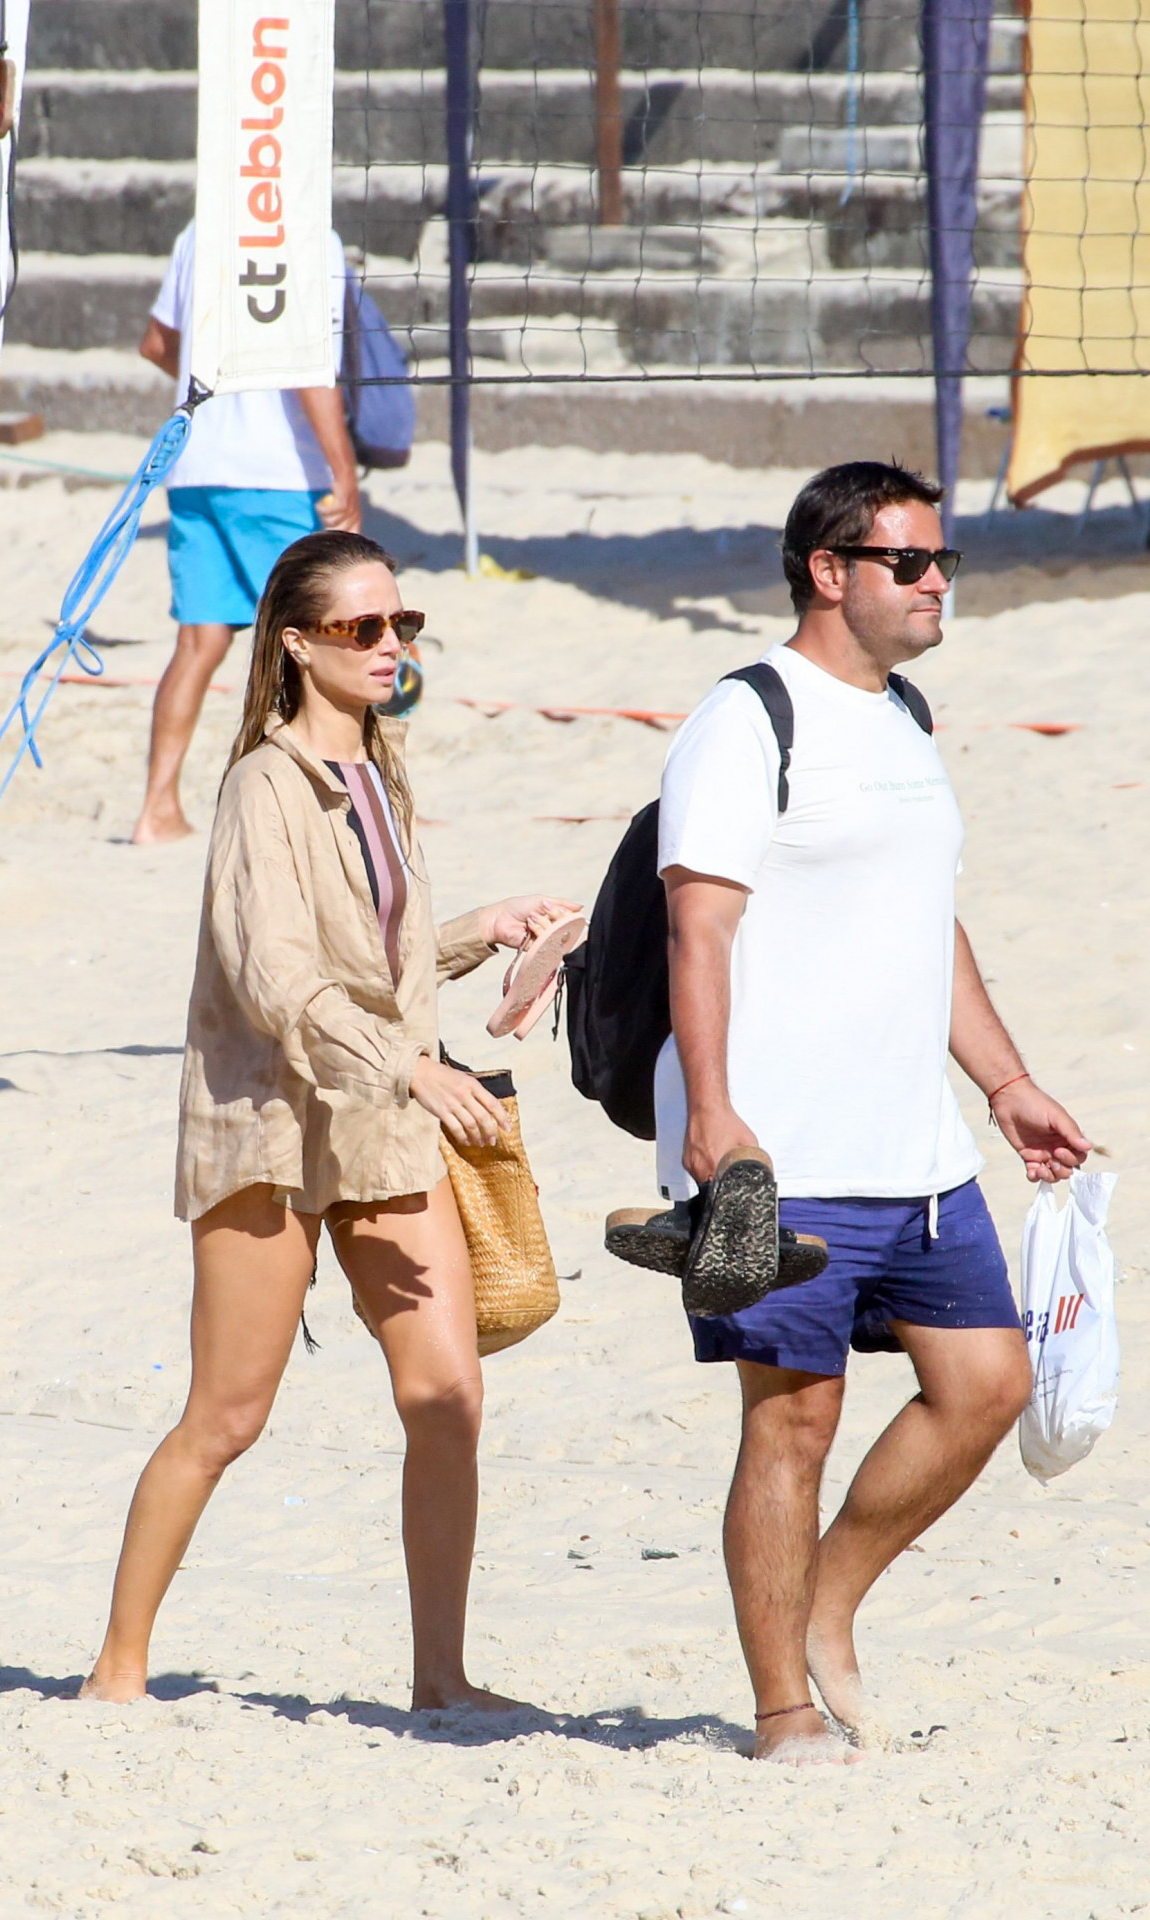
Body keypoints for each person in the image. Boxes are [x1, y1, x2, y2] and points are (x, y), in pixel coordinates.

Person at [82, 529, 577, 1708]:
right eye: (363, 629)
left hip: (376, 1117)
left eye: (401, 624)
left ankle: (442, 1680)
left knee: (447, 1396)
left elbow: (376, 959)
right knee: (228, 1415)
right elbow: (276, 976)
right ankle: (116, 1672)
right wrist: (410, 1070)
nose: (390, 645)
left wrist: (482, 929)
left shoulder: (376, 766)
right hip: (269, 1120)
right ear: (296, 645)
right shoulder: (263, 781)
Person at [648, 462, 1091, 1762]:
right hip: (776, 1152)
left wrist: (1001, 1083)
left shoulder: (902, 714)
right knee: (789, 1418)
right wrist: (713, 1113)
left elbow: (922, 921)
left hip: (914, 1147)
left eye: (940, 560)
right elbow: (698, 925)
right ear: (827, 572)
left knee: (985, 1384)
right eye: (907, 562)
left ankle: (827, 1603)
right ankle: (781, 1704)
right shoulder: (742, 721)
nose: (935, 581)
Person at [132, 220, 362, 845]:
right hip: (276, 472)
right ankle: (337, 806)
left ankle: (156, 809)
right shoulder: (313, 235)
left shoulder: (197, 230)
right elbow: (310, 371)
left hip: (197, 463)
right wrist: (345, 474)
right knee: (326, 643)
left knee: (199, 645)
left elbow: (156, 344)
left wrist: (221, 386)